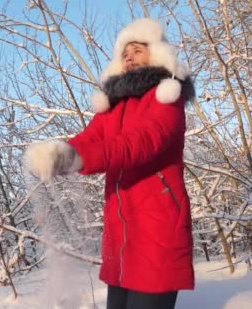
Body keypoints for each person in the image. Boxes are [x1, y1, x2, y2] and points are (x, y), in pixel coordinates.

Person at [24, 18, 195, 309]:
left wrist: (80, 159)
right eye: (124, 54)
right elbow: (89, 139)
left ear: (157, 52)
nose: (129, 57)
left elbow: (142, 142)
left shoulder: (167, 98)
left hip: (157, 231)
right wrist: (58, 154)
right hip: (122, 236)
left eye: (137, 50)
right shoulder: (114, 106)